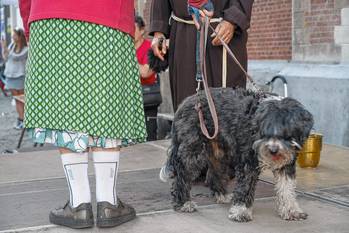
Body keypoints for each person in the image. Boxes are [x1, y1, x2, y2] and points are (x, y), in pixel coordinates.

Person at [19, 0, 147, 229]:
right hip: (108, 14)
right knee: (105, 102)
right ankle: (108, 203)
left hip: (49, 16)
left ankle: (78, 205)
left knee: (64, 106)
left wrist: (30, 21)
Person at [149, 0, 254, 181]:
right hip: (183, 32)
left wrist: (233, 19)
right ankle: (184, 159)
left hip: (221, 27)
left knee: (225, 101)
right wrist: (159, 31)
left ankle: (224, 163)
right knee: (186, 98)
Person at [150, 0, 254, 112]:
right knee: (186, 108)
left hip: (221, 32)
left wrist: (233, 19)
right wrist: (159, 30)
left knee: (227, 110)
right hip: (183, 37)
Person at [1, 29, 28, 129]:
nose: (12, 37)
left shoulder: (26, 48)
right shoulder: (12, 46)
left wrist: (5, 48)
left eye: (15, 35)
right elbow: (6, 58)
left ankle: (25, 119)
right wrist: (4, 49)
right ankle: (21, 119)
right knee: (17, 99)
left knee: (23, 99)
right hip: (10, 76)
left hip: (20, 76)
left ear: (20, 36)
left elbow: (18, 57)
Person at [135, 16, 156, 86]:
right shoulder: (125, 47)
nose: (130, 32)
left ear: (142, 30)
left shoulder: (150, 47)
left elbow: (145, 72)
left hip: (147, 90)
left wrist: (128, 58)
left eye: (133, 29)